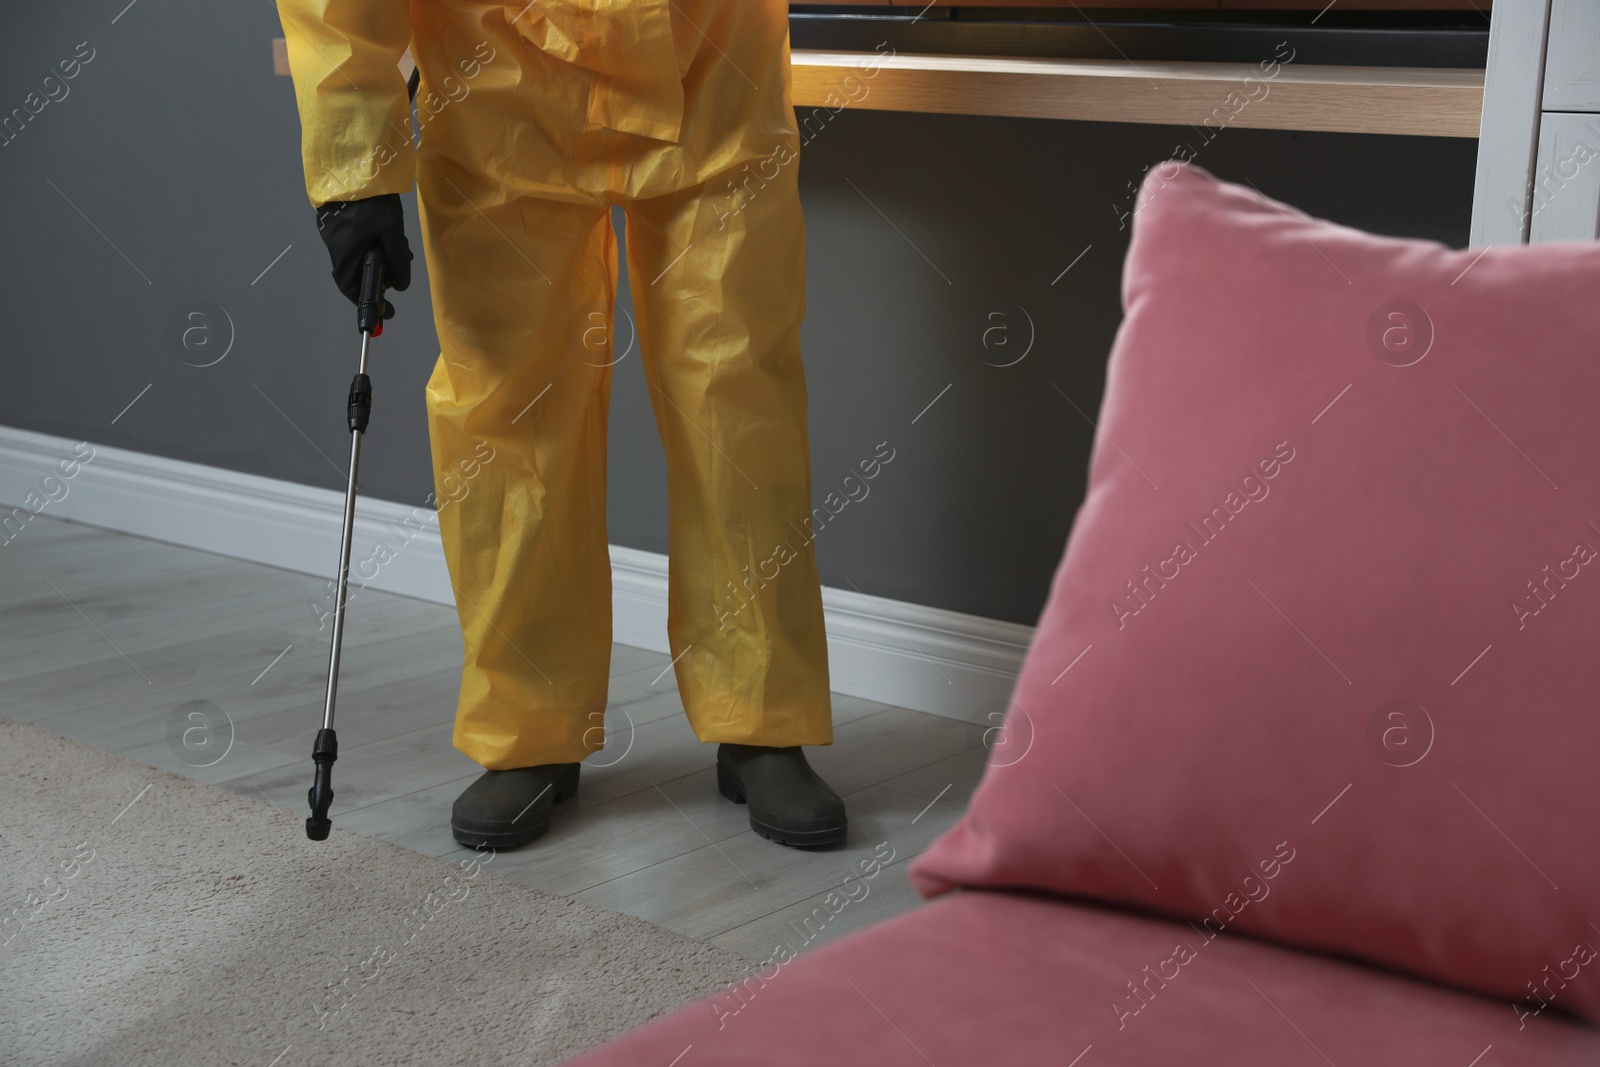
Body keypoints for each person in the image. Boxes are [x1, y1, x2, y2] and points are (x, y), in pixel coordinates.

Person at [279, 0, 846, 850]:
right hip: (496, 80)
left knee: (738, 397)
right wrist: (358, 168)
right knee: (508, 409)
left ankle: (763, 720)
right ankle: (529, 728)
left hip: (712, 64)